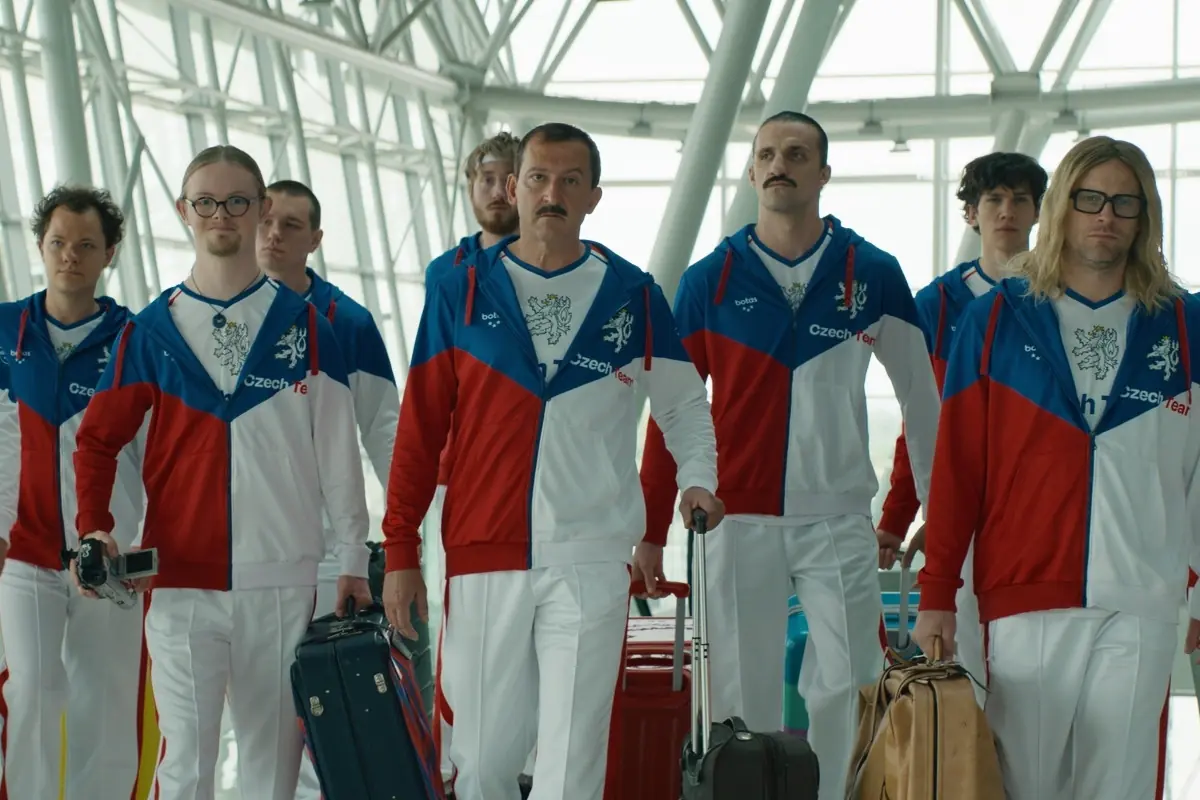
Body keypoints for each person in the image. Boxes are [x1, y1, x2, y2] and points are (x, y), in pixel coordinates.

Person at [382, 122, 722, 800]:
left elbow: (684, 404)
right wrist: (399, 550)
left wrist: (698, 479)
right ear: (515, 187)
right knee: (481, 760)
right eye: (538, 178)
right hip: (484, 555)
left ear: (594, 196)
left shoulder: (632, 294)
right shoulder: (461, 290)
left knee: (572, 764)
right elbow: (419, 428)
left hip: (590, 556)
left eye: (570, 181)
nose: (552, 193)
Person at [638, 110, 941, 800]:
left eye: (798, 154)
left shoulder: (873, 274)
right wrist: (651, 528)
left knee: (853, 682)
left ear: (823, 173)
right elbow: (673, 411)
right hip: (733, 516)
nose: (781, 164)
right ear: (751, 172)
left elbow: (922, 404)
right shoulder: (710, 280)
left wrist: (939, 517)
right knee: (736, 696)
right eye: (768, 153)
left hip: (837, 514)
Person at [71, 145, 373, 800]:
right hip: (181, 584)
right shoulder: (149, 332)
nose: (221, 215)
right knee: (185, 768)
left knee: (273, 773)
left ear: (260, 210)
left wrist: (353, 556)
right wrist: (95, 527)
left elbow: (338, 453)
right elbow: (96, 441)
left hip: (283, 580)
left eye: (237, 201)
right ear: (184, 211)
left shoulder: (307, 327)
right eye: (206, 202)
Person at [913, 135, 1200, 800]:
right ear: (1062, 208)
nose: (1106, 216)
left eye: (1125, 202)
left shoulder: (1185, 325)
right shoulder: (994, 319)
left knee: (1121, 787)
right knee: (1026, 785)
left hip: (1143, 595)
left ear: (1146, 215)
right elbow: (958, 468)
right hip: (1025, 593)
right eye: (1090, 199)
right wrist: (937, 594)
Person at [876, 151, 1048, 701]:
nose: (1007, 211)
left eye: (1020, 199)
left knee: (1033, 660)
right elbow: (921, 419)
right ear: (972, 213)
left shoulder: (1059, 297)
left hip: (1038, 507)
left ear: (1038, 211)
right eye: (993, 199)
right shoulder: (937, 306)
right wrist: (897, 516)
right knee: (969, 661)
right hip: (962, 507)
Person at [0, 186, 149, 798]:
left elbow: (158, 451)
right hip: (23, 554)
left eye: (86, 245)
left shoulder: (135, 338)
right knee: (32, 692)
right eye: (59, 242)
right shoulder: (5, 329)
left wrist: (144, 540)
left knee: (105, 704)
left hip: (106, 557)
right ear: (40, 245)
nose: (70, 256)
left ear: (109, 253)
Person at [256, 179, 401, 800]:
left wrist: (404, 535)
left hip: (324, 552)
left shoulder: (348, 323)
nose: (273, 235)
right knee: (260, 721)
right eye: (266, 220)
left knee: (321, 709)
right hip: (244, 553)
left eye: (291, 225)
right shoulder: (220, 318)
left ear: (315, 239)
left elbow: (385, 431)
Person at [419, 131, 521, 783]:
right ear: (469, 185)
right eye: (487, 177)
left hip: (531, 486)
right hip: (460, 484)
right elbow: (432, 387)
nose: (498, 191)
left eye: (511, 178)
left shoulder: (560, 270)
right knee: (462, 642)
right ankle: (459, 771)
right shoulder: (447, 274)